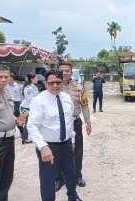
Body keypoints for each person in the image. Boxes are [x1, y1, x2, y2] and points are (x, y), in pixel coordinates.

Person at [27, 69, 82, 201]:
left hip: (67, 143)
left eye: (58, 82)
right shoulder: (38, 101)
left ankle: (73, 197)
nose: (55, 86)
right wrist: (42, 147)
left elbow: (69, 122)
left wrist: (72, 139)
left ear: (62, 83)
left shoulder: (66, 98)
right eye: (51, 83)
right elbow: (32, 126)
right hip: (48, 146)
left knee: (70, 173)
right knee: (48, 179)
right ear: (45, 84)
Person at [55, 62, 92, 191]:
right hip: (57, 124)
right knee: (57, 151)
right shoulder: (53, 87)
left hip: (75, 123)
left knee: (77, 151)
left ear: (71, 73)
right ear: (58, 72)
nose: (64, 73)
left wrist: (88, 122)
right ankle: (58, 178)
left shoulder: (79, 87)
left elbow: (85, 105)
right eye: (62, 71)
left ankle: (77, 175)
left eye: (67, 71)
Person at [0, 64, 24, 201]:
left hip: (9, 140)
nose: (3, 79)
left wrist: (15, 120)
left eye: (6, 76)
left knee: (6, 178)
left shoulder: (6, 93)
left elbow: (7, 114)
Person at [20, 72, 39, 144]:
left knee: (26, 122)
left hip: (28, 107)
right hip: (26, 108)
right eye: (36, 78)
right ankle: (25, 138)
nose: (37, 79)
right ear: (32, 79)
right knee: (22, 122)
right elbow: (29, 99)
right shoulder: (29, 88)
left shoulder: (33, 86)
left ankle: (24, 137)